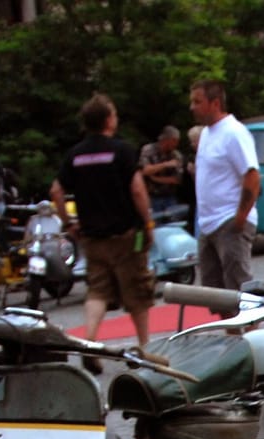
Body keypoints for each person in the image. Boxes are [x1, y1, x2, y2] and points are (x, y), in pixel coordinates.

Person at [49, 93, 155, 367]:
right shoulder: (121, 151)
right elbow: (137, 189)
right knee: (137, 290)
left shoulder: (75, 155)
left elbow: (56, 191)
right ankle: (145, 347)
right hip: (125, 235)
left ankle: (92, 342)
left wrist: (69, 224)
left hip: (92, 236)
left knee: (97, 291)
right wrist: (148, 222)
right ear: (108, 120)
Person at [190, 78, 262, 288]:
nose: (192, 107)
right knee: (216, 293)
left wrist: (240, 218)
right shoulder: (205, 134)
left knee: (238, 289)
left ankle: (248, 323)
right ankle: (228, 322)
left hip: (228, 219)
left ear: (215, 103)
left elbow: (252, 176)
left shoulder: (233, 132)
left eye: (197, 101)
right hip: (208, 223)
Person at [138, 127, 184, 217]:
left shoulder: (176, 155)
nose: (176, 144)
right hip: (152, 196)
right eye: (174, 140)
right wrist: (165, 165)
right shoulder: (148, 150)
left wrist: (155, 178)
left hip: (170, 196)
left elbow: (176, 180)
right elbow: (145, 171)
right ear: (167, 139)